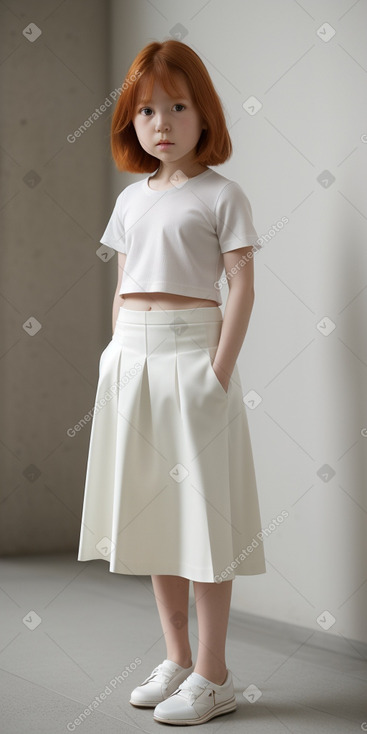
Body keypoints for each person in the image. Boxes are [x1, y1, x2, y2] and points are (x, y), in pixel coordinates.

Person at [77, 38, 266, 726]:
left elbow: (241, 289)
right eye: (146, 110)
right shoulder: (130, 202)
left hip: (193, 361)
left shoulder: (222, 195)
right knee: (156, 515)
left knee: (204, 522)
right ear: (129, 122)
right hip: (130, 360)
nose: (161, 123)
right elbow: (125, 284)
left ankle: (214, 675)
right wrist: (111, 353)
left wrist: (216, 372)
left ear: (203, 114)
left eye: (177, 107)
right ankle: (178, 659)